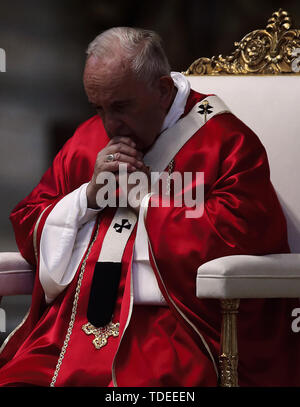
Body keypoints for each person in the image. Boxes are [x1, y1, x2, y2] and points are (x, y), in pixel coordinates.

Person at [0, 26, 299, 387]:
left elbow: (244, 232)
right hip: (70, 330)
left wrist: (146, 200)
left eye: (121, 107)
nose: (110, 125)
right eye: (99, 108)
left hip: (176, 329)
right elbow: (29, 216)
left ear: (161, 89)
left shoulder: (227, 142)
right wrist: (87, 198)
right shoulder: (88, 140)